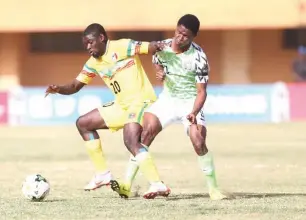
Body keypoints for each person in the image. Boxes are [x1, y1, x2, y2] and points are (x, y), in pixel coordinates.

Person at [45, 23, 170, 199]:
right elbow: (75, 86)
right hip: (122, 105)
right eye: (85, 45)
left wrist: (167, 51)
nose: (88, 47)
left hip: (141, 101)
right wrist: (58, 89)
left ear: (101, 38)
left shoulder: (123, 46)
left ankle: (157, 184)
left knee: (130, 140)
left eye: (90, 43)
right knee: (83, 124)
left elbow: (151, 47)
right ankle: (103, 174)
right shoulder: (93, 63)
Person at [111, 14, 229, 200]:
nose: (180, 37)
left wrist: (194, 113)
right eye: (179, 32)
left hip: (189, 103)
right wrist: (159, 73)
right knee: (144, 135)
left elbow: (201, 92)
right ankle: (126, 184)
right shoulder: (162, 47)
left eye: (186, 36)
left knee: (198, 141)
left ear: (193, 37)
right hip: (168, 100)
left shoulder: (199, 57)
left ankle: (213, 190)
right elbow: (157, 63)